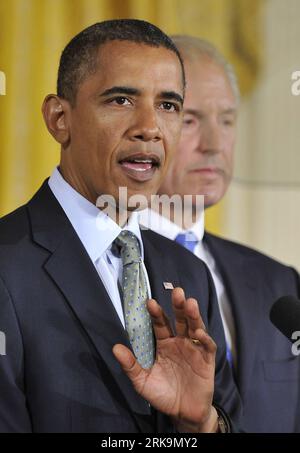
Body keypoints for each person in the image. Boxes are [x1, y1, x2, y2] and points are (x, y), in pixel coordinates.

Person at [0, 20, 241, 433]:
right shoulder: (8, 266)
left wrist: (200, 423)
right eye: (121, 100)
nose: (149, 127)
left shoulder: (190, 274)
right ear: (59, 118)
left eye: (168, 106)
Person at [140, 35, 300, 433]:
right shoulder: (105, 265)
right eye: (191, 120)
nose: (214, 145)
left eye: (226, 119)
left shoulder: (279, 283)